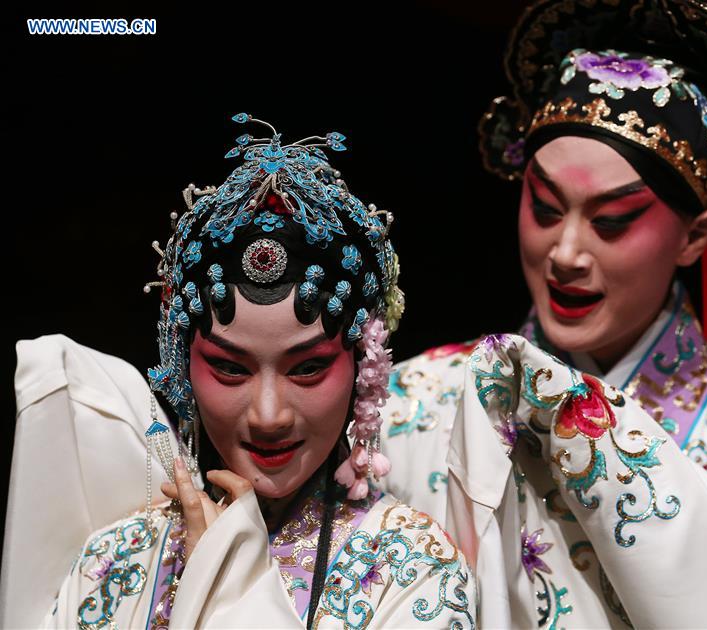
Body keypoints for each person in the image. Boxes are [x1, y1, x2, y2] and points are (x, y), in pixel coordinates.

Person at [378, 1, 707, 627]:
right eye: (544, 208)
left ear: (694, 238)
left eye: (612, 222)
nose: (565, 253)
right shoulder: (405, 407)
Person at [3, 115, 475, 629]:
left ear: (364, 366)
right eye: (230, 368)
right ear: (184, 368)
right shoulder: (116, 563)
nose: (268, 415)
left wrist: (228, 589)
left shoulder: (414, 572)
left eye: (309, 368)